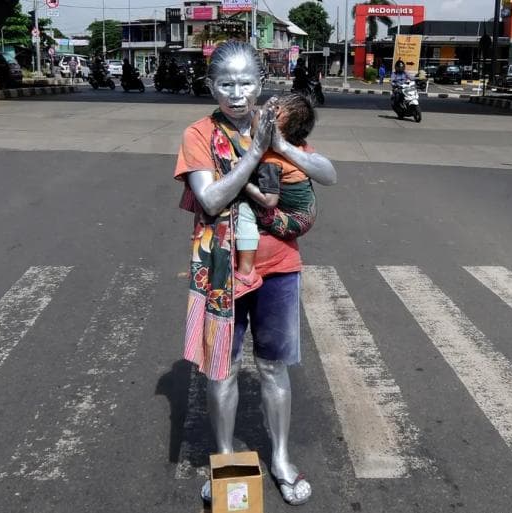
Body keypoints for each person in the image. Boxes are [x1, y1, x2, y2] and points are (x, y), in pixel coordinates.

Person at [173, 41, 337, 507]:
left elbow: (328, 174)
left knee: (273, 367)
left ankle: (281, 457)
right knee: (221, 369)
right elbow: (210, 199)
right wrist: (255, 153)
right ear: (211, 86)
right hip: (220, 270)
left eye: (247, 82)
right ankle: (224, 461)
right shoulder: (199, 134)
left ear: (261, 84)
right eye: (226, 83)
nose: (237, 93)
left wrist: (281, 145)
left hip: (279, 267)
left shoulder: (275, 124)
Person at [234, 93, 324, 298]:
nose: (255, 113)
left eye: (261, 112)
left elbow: (269, 201)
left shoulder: (271, 161)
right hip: (304, 215)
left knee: (244, 209)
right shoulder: (297, 147)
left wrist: (243, 182)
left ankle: (246, 272)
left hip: (292, 221)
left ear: (273, 124)